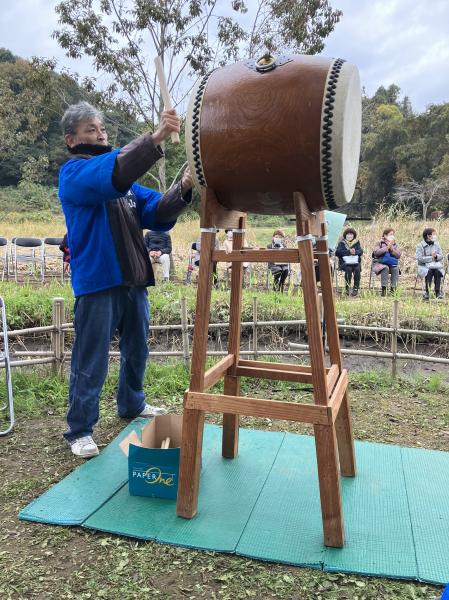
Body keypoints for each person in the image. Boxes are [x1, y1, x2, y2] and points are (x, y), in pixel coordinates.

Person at [59, 100, 192, 458]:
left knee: (137, 350)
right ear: (72, 140)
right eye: (91, 129)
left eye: (101, 128)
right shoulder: (73, 175)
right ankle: (80, 429)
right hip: (98, 281)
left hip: (134, 279)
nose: (99, 133)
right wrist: (158, 136)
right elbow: (111, 173)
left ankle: (132, 404)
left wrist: (184, 186)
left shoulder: (127, 187)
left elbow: (158, 210)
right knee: (92, 357)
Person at [416, 228, 444, 300]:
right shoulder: (420, 246)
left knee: (438, 272)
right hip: (424, 266)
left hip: (435, 265)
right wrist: (431, 258)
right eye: (434, 234)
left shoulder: (437, 244)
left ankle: (437, 291)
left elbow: (441, 256)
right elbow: (420, 259)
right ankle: (427, 292)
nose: (435, 236)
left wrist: (436, 256)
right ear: (428, 236)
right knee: (429, 272)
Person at [335, 227, 363, 296]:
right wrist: (348, 252)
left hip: (355, 262)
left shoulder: (356, 242)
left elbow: (360, 251)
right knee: (349, 269)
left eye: (351, 234)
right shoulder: (342, 243)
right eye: (348, 234)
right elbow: (337, 252)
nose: (349, 235)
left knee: (357, 269)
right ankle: (347, 287)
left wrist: (355, 252)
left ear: (354, 235)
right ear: (345, 235)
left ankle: (356, 288)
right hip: (345, 263)